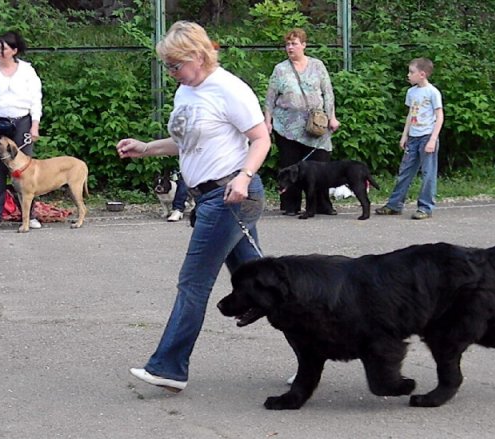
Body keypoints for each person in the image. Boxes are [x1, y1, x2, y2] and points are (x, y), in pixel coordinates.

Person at [117, 21, 271, 392]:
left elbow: (261, 139)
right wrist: (146, 147)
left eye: (175, 65)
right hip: (208, 197)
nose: (171, 74)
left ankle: (169, 367)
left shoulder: (229, 89)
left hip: (231, 196)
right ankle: (320, 338)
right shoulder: (187, 91)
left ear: (199, 56)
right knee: (268, 284)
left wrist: (244, 177)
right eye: (167, 66)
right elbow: (185, 142)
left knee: (193, 282)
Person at [264, 28, 340, 217]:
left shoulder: (317, 66)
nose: (290, 47)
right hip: (287, 127)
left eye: (294, 43)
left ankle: (322, 204)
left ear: (303, 45)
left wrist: (332, 117)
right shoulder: (280, 69)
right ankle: (291, 205)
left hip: (315, 124)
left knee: (321, 165)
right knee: (290, 166)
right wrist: (267, 121)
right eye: (287, 44)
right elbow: (270, 97)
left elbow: (327, 93)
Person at [0, 31, 43, 232]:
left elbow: (35, 99)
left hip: (22, 122)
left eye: (3, 48)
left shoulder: (27, 72)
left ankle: (29, 216)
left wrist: (35, 125)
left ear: (14, 50)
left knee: (27, 172)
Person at [375, 57, 444, 220]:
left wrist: (433, 139)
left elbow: (439, 116)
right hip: (413, 137)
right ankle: (394, 204)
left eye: (411, 72)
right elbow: (410, 115)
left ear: (422, 74)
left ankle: (425, 207)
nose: (408, 75)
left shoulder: (432, 92)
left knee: (428, 173)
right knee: (405, 172)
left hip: (427, 136)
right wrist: (404, 135)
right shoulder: (411, 92)